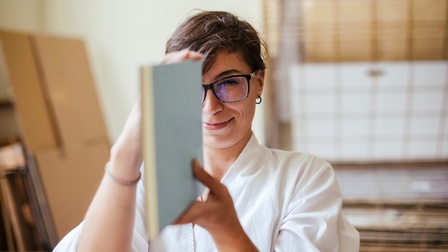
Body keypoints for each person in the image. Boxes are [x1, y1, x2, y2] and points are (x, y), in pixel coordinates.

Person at [54, 10, 359, 251]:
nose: (210, 106)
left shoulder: (304, 177)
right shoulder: (147, 181)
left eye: (228, 83)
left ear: (259, 82)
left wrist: (226, 227)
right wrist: (123, 154)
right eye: (191, 88)